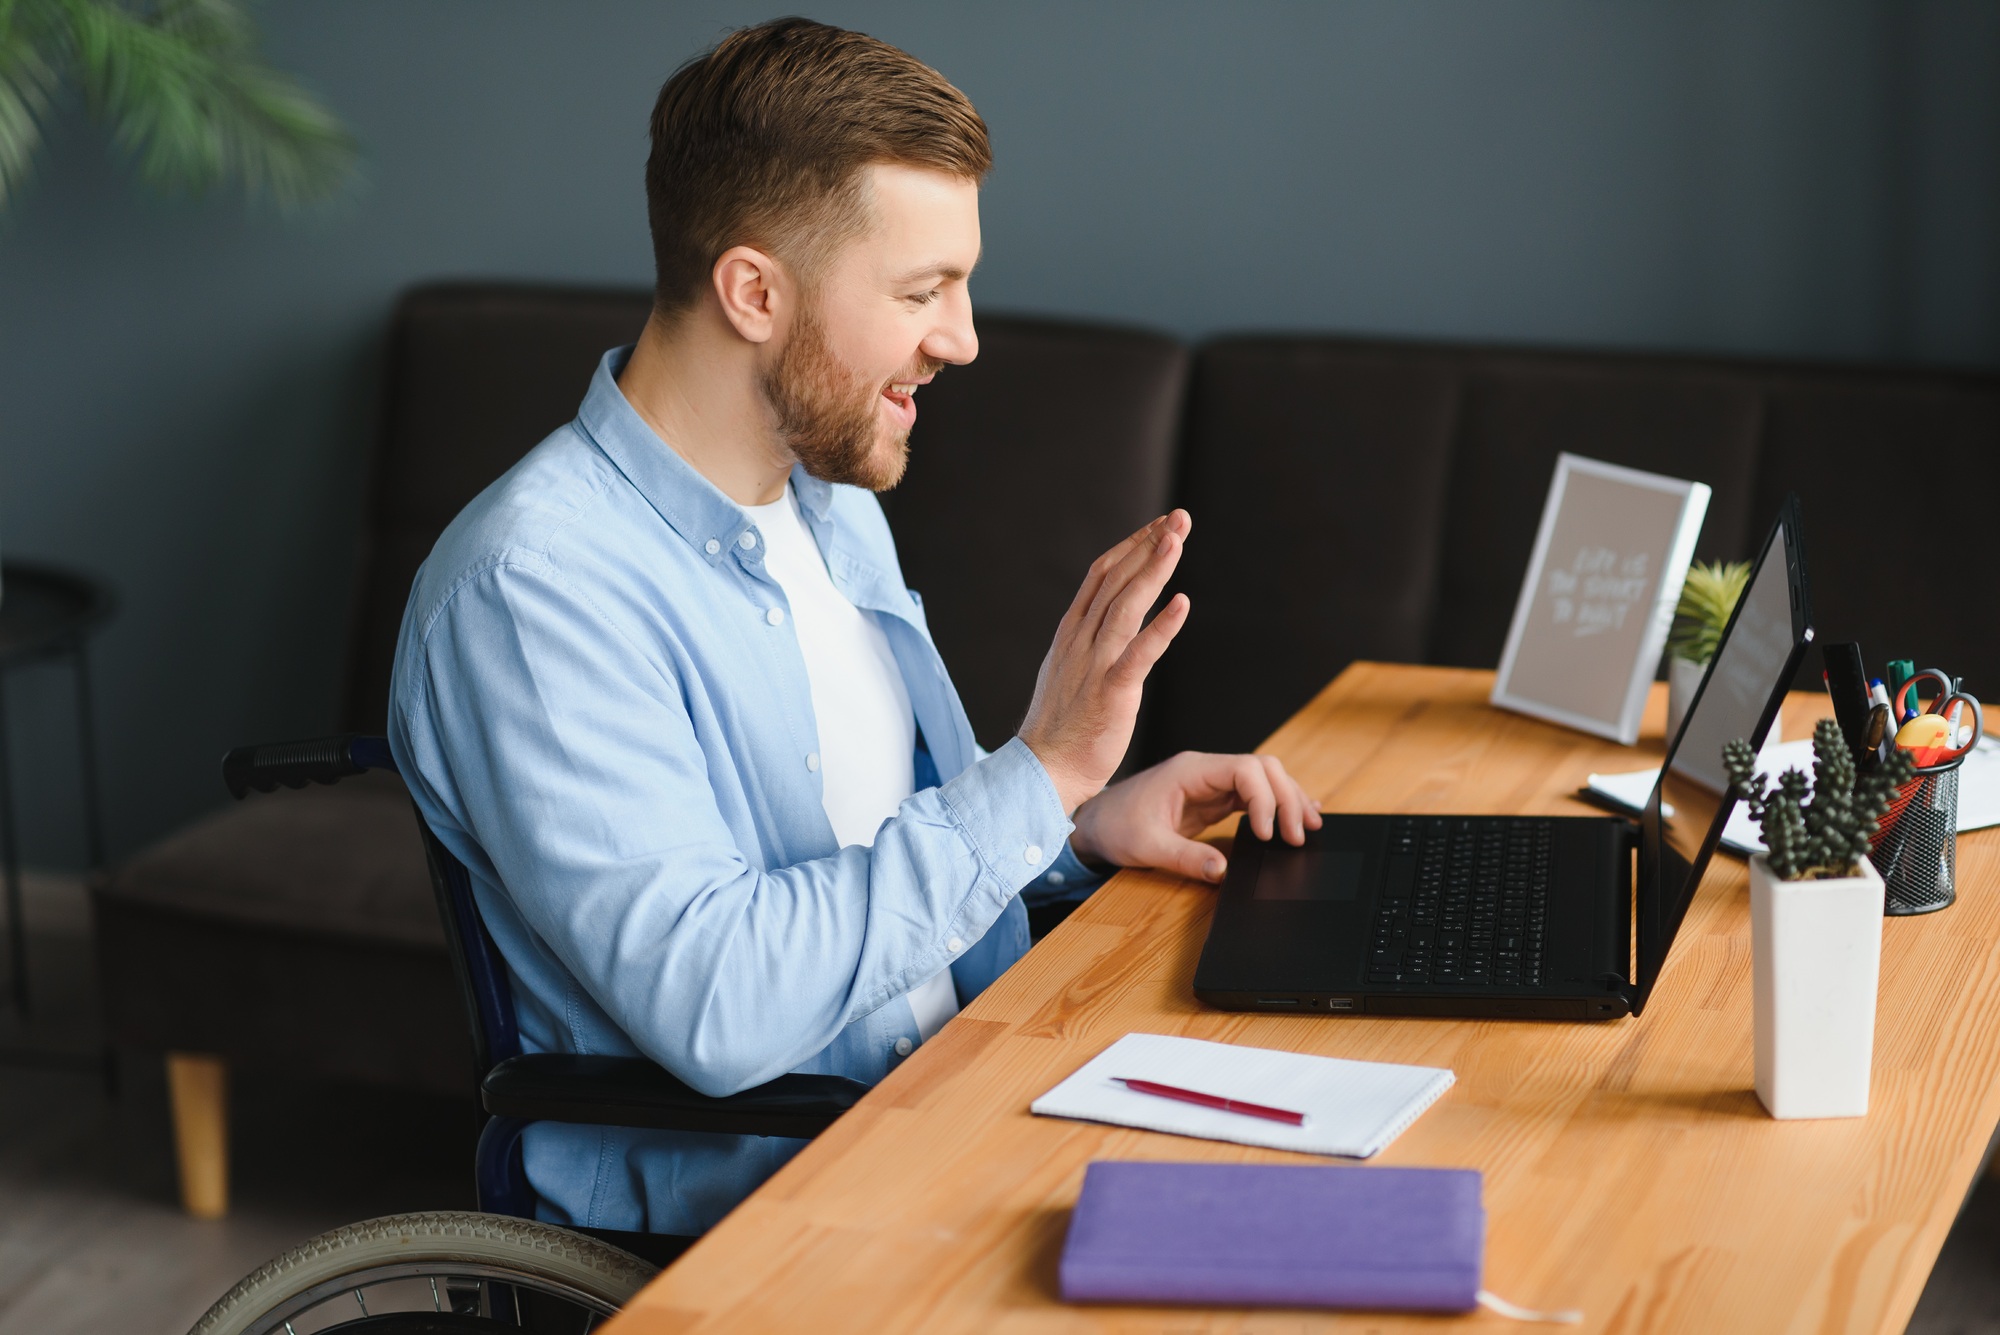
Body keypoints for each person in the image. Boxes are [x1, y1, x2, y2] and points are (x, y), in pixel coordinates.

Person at [389, 17, 1319, 1237]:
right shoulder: (534, 592)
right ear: (753, 290)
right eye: (922, 290)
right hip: (775, 1214)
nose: (964, 337)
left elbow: (873, 854)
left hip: (959, 1102)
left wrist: (1073, 825)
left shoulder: (824, 506)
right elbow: (722, 1006)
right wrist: (1034, 774)